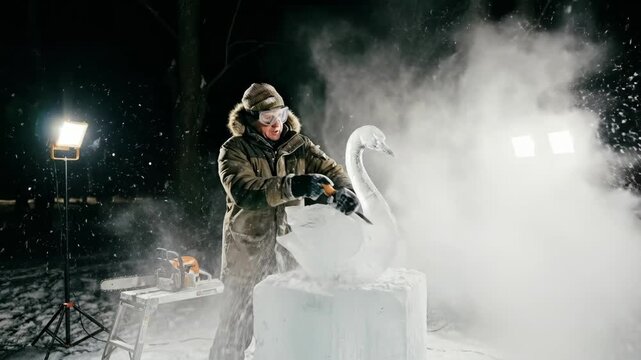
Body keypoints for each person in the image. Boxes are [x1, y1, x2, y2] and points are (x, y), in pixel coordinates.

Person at [209, 83, 360, 359]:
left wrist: (344, 191)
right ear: (252, 119)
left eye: (279, 114)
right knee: (234, 336)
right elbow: (245, 191)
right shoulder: (234, 151)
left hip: (287, 260)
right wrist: (294, 186)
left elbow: (331, 169)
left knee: (286, 335)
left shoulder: (299, 146)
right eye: (267, 118)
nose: (276, 123)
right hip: (247, 261)